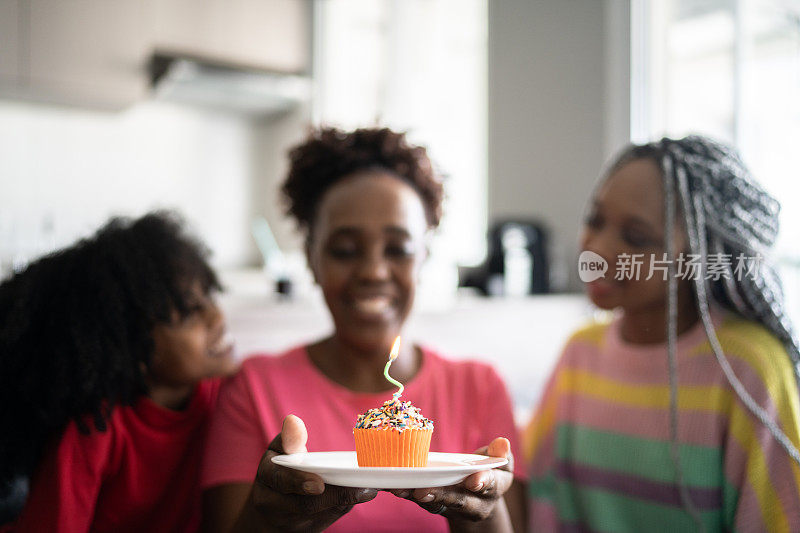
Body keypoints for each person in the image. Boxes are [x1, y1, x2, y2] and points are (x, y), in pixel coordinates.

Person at [201, 127, 527, 532]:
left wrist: (484, 513)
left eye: (398, 249)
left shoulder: (481, 388)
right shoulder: (254, 387)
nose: (373, 271)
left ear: (424, 257)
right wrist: (267, 521)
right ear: (311, 258)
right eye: (344, 250)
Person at [524, 135, 800, 531]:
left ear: (700, 255)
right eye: (594, 220)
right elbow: (540, 498)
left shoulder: (747, 368)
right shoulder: (580, 352)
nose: (597, 249)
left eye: (636, 238)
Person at [0, 211, 239, 532]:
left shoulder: (229, 397)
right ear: (133, 344)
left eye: (208, 296)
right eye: (189, 313)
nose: (217, 317)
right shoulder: (95, 429)